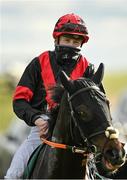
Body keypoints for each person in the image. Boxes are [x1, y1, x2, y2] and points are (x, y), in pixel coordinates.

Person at [5, 13, 95, 179]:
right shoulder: (38, 63)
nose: (71, 45)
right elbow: (19, 101)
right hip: (42, 131)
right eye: (67, 40)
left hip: (78, 134)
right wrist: (37, 119)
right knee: (14, 173)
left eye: (76, 42)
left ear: (82, 43)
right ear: (57, 40)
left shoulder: (88, 68)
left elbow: (97, 106)